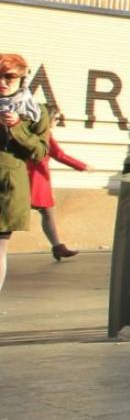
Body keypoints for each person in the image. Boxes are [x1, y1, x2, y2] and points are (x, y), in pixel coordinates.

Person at [0, 53, 48, 295]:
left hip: (7, 186)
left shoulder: (35, 112)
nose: (3, 82)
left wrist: (17, 126)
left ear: (22, 79)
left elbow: (40, 152)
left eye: (9, 77)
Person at [27, 108, 87, 261]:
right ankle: (57, 246)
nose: (56, 121)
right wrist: (82, 166)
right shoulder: (44, 135)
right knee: (45, 213)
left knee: (47, 213)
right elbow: (59, 154)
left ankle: (58, 246)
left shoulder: (27, 131)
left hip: (35, 178)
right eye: (55, 118)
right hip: (37, 179)